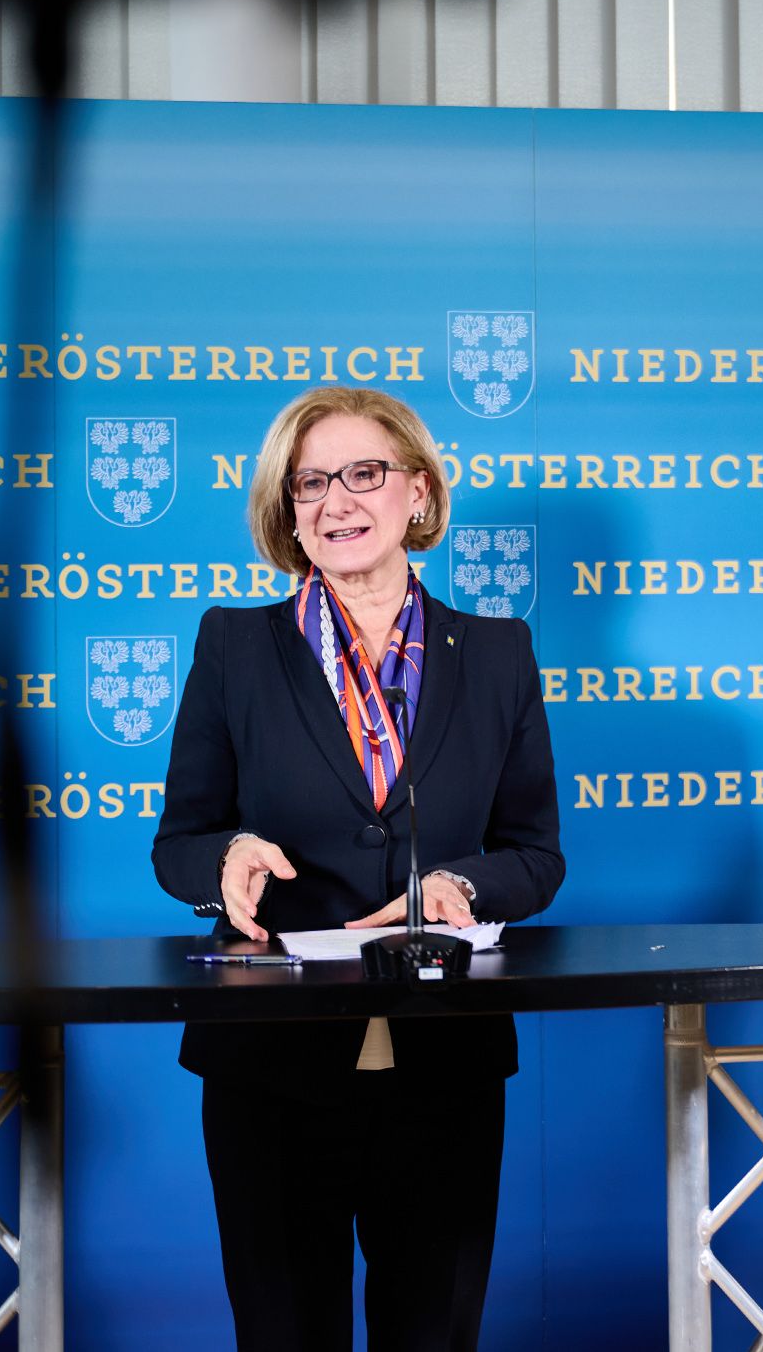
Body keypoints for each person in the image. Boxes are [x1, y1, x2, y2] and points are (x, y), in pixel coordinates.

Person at [153, 386, 563, 1351]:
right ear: (288, 510)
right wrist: (228, 858)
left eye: (364, 474)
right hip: (272, 1060)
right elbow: (181, 842)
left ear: (418, 492)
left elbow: (535, 854)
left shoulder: (498, 653)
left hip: (446, 1057)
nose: (336, 501)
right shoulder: (234, 645)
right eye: (310, 483)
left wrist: (462, 887)